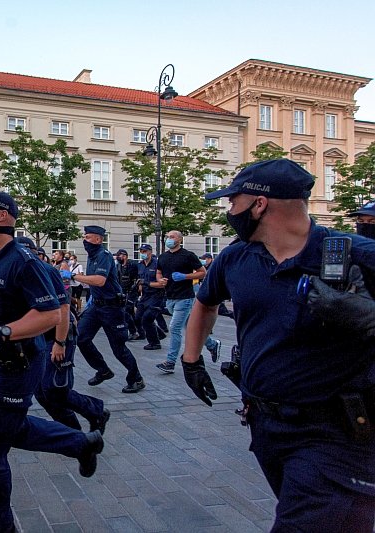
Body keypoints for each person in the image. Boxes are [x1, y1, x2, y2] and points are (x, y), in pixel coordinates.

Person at [181, 159, 375, 532]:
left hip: (335, 434)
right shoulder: (235, 257)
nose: (228, 211)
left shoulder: (357, 254)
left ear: (259, 203)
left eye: (232, 201)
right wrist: (192, 363)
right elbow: (205, 302)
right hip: (265, 425)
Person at [0, 190, 104, 533]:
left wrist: (3, 333)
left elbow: (51, 313)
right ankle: (82, 443)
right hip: (0, 363)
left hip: (18, 365)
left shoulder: (23, 261)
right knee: (12, 428)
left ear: (4, 217)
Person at [17, 237, 110, 431]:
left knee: (55, 388)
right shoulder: (20, 273)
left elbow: (64, 308)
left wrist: (60, 342)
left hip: (59, 335)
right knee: (41, 392)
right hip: (39, 340)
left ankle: (95, 411)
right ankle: (72, 432)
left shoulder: (48, 272)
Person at [71, 226, 144, 393]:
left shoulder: (104, 256)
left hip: (112, 308)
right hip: (97, 305)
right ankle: (103, 370)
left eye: (88, 237)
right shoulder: (92, 256)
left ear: (98, 239)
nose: (84, 239)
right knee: (81, 338)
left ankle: (136, 378)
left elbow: (99, 280)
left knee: (118, 348)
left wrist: (73, 276)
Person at [154, 230, 219, 374]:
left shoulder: (188, 256)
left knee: (175, 328)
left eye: (172, 237)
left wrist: (185, 276)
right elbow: (158, 272)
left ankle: (170, 362)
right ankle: (212, 344)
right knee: (190, 327)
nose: (169, 239)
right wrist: (160, 279)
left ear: (179, 240)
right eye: (167, 237)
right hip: (170, 297)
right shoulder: (163, 257)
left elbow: (202, 272)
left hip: (185, 297)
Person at [136, 244, 167, 350]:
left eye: (144, 251)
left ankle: (155, 343)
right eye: (141, 251)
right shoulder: (140, 265)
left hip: (156, 295)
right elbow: (140, 279)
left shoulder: (157, 264)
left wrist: (147, 283)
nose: (142, 253)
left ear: (150, 251)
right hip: (145, 295)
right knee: (138, 317)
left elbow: (162, 284)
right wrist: (140, 286)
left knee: (147, 318)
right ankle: (160, 333)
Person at [115, 249, 141, 340]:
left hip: (132, 291)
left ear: (124, 256)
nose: (118, 258)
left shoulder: (133, 264)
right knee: (131, 313)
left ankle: (134, 332)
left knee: (126, 311)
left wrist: (138, 287)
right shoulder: (119, 266)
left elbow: (138, 277)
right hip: (123, 291)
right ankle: (141, 331)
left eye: (119, 256)